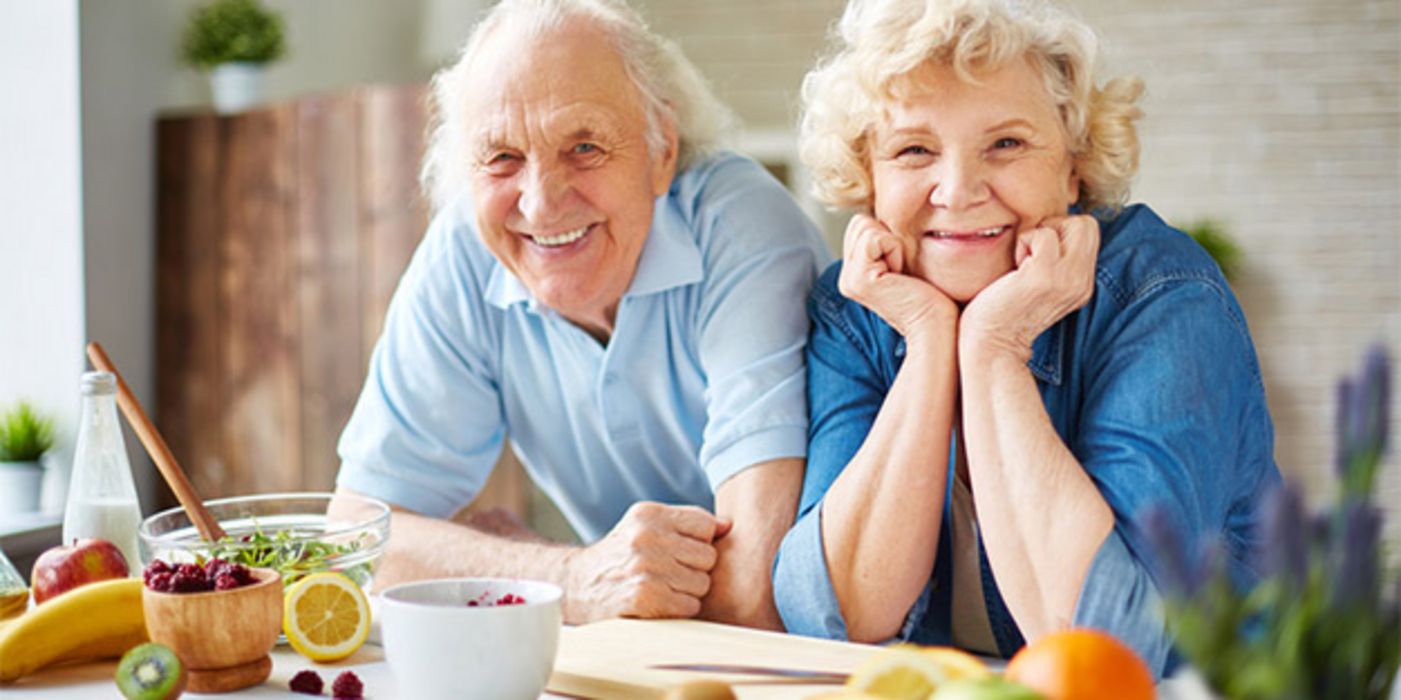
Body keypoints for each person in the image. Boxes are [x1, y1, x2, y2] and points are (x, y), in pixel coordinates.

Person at [772, 0, 1280, 677]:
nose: (956, 190)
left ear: (1073, 167)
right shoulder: (858, 306)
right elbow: (835, 615)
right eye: (913, 149)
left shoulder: (1162, 295)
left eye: (1005, 144)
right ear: (869, 175)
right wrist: (928, 340)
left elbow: (1115, 644)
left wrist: (992, 346)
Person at [331, 0, 830, 629]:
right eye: (502, 158)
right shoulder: (467, 249)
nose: (540, 206)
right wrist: (571, 577)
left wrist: (523, 566)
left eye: (585, 147)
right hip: (640, 664)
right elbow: (357, 543)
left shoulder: (741, 229)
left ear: (662, 151)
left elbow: (757, 592)